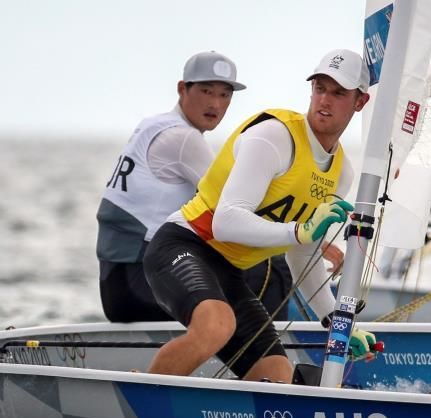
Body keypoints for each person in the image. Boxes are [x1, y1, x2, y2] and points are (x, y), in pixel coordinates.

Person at [142, 49, 376, 383]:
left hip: (229, 272)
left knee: (277, 374)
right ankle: (139, 401)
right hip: (183, 245)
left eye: (338, 93)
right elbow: (226, 221)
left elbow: (303, 251)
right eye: (319, 88)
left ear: (360, 102)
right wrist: (299, 230)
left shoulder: (342, 174)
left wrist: (336, 321)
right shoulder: (275, 137)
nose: (325, 100)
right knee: (216, 326)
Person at [96, 50, 245, 322]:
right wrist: (302, 238)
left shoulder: (152, 125)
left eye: (225, 95)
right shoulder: (184, 139)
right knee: (266, 267)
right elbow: (236, 204)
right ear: (182, 89)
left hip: (117, 288)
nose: (215, 103)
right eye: (206, 91)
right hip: (139, 289)